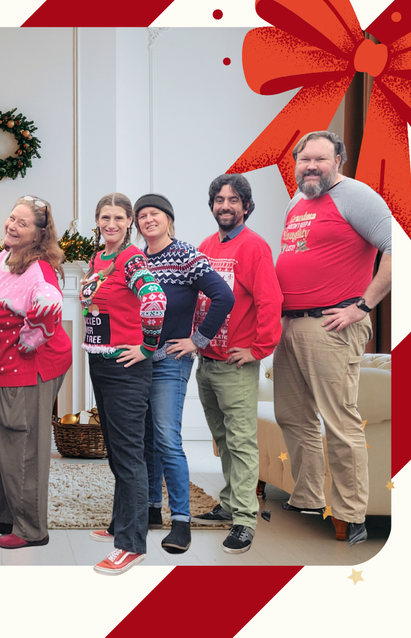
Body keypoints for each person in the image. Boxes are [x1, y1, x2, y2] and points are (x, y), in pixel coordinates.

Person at [274, 131, 392, 547]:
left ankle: (350, 514)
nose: (311, 166)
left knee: (339, 422)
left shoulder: (357, 196)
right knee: (293, 414)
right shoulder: (297, 200)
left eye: (320, 159)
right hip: (290, 324)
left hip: (332, 324)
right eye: (304, 159)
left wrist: (363, 305)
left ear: (338, 160)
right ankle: (307, 495)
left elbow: (397, 248)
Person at [133, 193, 234, 555]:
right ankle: (148, 510)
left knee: (166, 438)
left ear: (168, 219)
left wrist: (197, 340)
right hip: (138, 360)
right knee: (145, 438)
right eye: (141, 215)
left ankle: (181, 521)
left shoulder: (186, 254)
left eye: (154, 213)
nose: (148, 220)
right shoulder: (135, 259)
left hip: (171, 360)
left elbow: (223, 296)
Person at [191, 174, 283, 555]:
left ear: (246, 206)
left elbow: (270, 301)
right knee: (223, 439)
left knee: (241, 442)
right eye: (219, 199)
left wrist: (258, 349)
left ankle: (245, 519)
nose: (225, 206)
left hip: (236, 363)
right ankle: (229, 502)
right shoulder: (207, 246)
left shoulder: (254, 248)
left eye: (233, 200)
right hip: (207, 361)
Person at [0, 195, 71, 551]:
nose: (12, 226)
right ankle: (7, 514)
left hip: (27, 369)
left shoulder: (39, 268)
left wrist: (29, 341)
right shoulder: (5, 257)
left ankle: (31, 528)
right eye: (12, 218)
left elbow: (49, 308)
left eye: (23, 223)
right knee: (0, 446)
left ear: (39, 234)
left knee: (25, 447)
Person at [82, 193, 166, 576]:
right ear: (96, 220)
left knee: (129, 455)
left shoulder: (132, 258)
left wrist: (148, 346)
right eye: (104, 217)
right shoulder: (100, 257)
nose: (110, 223)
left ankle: (131, 545)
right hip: (101, 363)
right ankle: (120, 523)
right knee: (117, 451)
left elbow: (155, 299)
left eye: (118, 217)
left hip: (125, 368)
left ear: (129, 220)